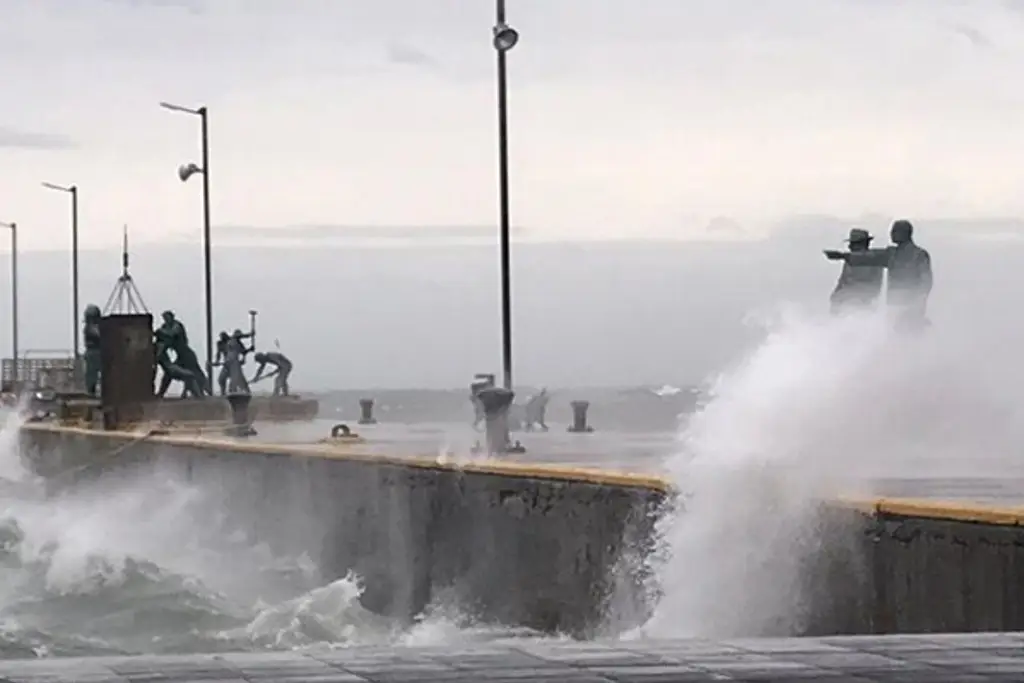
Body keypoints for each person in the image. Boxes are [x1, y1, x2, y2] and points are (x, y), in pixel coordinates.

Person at [825, 219, 933, 329]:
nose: (891, 234)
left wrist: (918, 304)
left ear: (904, 233)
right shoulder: (892, 253)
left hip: (909, 305)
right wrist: (844, 256)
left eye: (894, 231)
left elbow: (926, 282)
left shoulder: (918, 255)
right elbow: (869, 257)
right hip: (894, 305)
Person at [827, 228, 885, 314]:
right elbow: (842, 281)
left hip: (862, 304)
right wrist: (835, 296)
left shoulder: (874, 260)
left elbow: (876, 286)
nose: (850, 246)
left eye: (854, 244)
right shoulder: (850, 261)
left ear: (864, 244)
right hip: (844, 302)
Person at [157, 310, 209, 395]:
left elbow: (172, 333)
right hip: (180, 356)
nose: (165, 320)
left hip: (187, 355)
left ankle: (202, 393)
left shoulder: (177, 325)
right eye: (164, 318)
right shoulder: (165, 327)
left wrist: (160, 332)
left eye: (167, 318)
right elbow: (164, 341)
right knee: (170, 373)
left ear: (172, 317)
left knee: (196, 375)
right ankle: (161, 393)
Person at [224, 328, 254, 394]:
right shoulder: (232, 340)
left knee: (239, 376)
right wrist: (250, 334)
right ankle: (232, 390)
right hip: (232, 361)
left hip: (234, 361)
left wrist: (250, 349)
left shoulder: (238, 343)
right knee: (235, 376)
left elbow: (243, 352)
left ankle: (246, 390)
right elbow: (240, 337)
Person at [82, 304, 102, 396]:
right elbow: (97, 334)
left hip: (99, 352)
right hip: (93, 352)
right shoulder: (89, 328)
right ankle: (91, 391)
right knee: (91, 376)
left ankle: (94, 391)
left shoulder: (96, 327)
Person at [213, 331, 231, 396]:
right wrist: (217, 361)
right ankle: (223, 393)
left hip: (233, 364)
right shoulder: (220, 344)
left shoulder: (232, 342)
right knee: (221, 379)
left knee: (235, 380)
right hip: (226, 364)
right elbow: (218, 353)